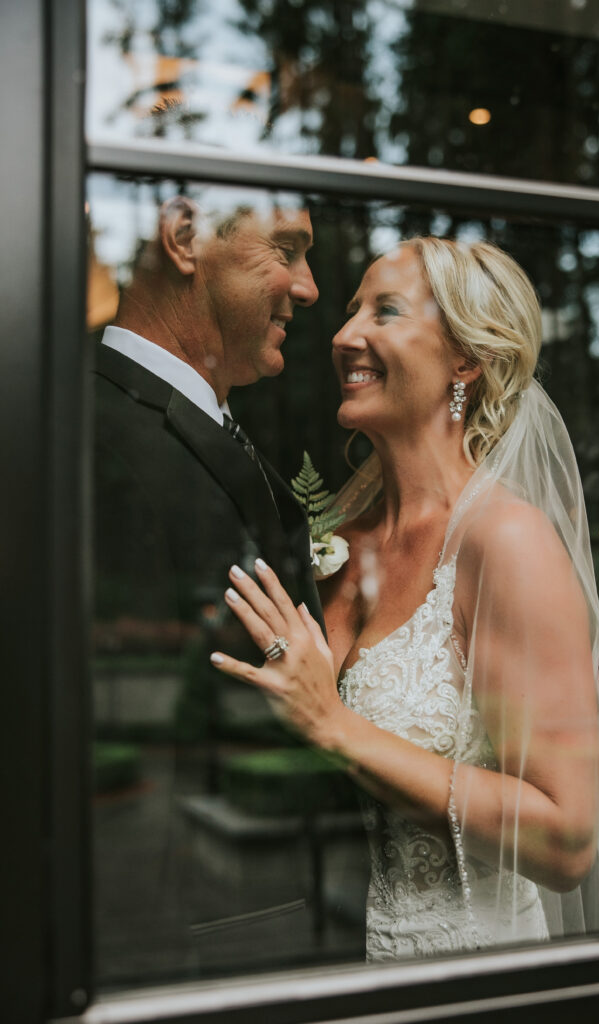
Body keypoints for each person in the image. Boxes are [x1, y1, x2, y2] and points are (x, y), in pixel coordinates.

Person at [209, 237, 599, 960]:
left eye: (385, 311)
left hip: (470, 968)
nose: (342, 336)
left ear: (465, 359)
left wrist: (334, 725)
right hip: (339, 959)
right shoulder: (339, 543)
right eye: (350, 311)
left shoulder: (505, 543)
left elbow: (565, 842)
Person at [93, 195, 364, 967]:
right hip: (178, 946)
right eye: (286, 250)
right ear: (184, 239)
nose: (309, 288)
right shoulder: (93, 431)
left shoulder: (203, 420)